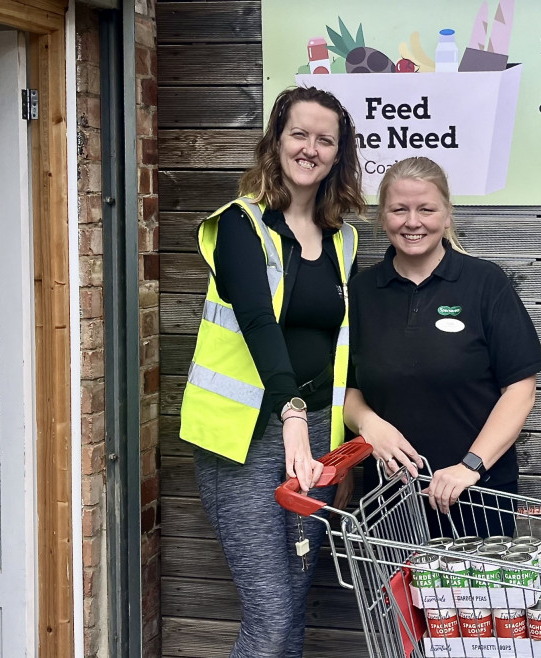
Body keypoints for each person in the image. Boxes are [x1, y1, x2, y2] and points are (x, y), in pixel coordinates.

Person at [178, 86, 363, 657]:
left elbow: (334, 344)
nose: (310, 148)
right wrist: (291, 415)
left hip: (313, 443)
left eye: (324, 140)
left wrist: (338, 436)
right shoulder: (240, 225)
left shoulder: (344, 239)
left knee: (295, 601)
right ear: (275, 141)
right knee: (271, 616)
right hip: (242, 438)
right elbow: (258, 321)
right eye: (299, 134)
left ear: (339, 155)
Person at [344, 156, 541, 538]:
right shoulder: (361, 294)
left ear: (447, 214)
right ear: (382, 217)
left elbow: (521, 389)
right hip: (391, 500)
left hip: (476, 497)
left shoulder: (485, 283)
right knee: (393, 600)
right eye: (399, 209)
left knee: (479, 600)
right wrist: (369, 425)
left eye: (426, 209)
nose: (413, 221)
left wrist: (470, 466)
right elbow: (347, 389)